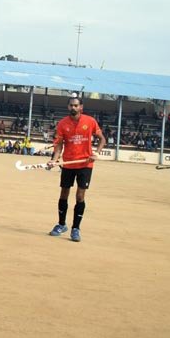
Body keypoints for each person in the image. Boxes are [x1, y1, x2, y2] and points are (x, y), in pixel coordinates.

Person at [48, 96, 107, 242]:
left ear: (81, 107)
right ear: (68, 107)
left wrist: (96, 153)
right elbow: (59, 145)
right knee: (64, 194)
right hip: (68, 163)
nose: (73, 108)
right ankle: (61, 224)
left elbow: (102, 139)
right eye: (71, 105)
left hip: (85, 164)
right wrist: (54, 160)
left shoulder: (90, 121)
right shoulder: (62, 124)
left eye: (76, 105)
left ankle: (76, 228)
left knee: (80, 196)